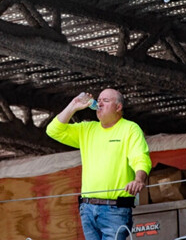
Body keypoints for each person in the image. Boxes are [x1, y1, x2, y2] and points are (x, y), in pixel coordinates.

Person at [46, 88, 151, 240]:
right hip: (87, 209)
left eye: (106, 101)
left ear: (118, 107)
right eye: (99, 100)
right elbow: (53, 130)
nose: (100, 103)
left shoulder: (130, 128)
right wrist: (73, 105)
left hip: (115, 209)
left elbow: (140, 157)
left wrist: (139, 179)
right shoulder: (87, 129)